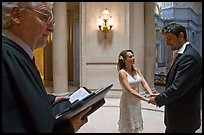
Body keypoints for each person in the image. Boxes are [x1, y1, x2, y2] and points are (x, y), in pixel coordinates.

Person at [2, 2, 91, 133]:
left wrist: (49, 99)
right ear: (17, 15)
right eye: (44, 17)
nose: (52, 28)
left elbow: (16, 100)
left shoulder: (18, 54)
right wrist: (66, 128)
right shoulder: (6, 55)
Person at [149, 23, 202, 133]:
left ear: (181, 36)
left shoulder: (189, 57)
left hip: (183, 119)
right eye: (165, 39)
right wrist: (161, 94)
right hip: (178, 118)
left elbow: (178, 88)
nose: (167, 43)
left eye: (169, 39)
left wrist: (158, 100)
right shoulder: (183, 54)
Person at [116, 49, 158, 133]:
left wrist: (151, 94)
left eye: (133, 56)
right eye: (130, 57)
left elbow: (144, 83)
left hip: (136, 101)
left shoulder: (136, 70)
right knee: (129, 126)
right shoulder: (122, 72)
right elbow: (130, 90)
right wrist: (147, 99)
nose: (133, 58)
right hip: (127, 102)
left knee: (136, 124)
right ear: (124, 60)